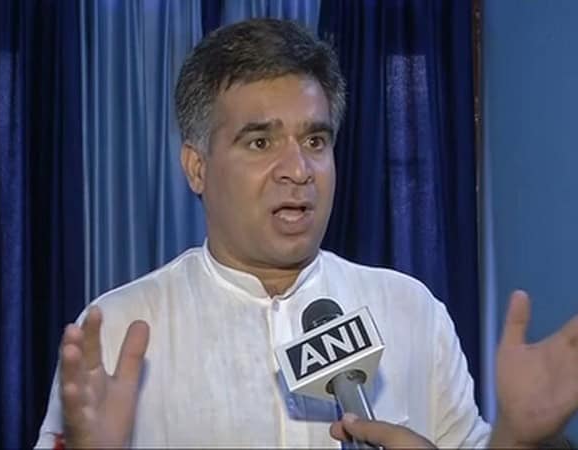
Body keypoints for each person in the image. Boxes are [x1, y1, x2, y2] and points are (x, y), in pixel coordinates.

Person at [35, 18, 578, 449]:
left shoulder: (413, 310)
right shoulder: (119, 330)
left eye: (315, 141)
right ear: (197, 167)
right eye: (260, 143)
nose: (299, 170)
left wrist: (518, 439)